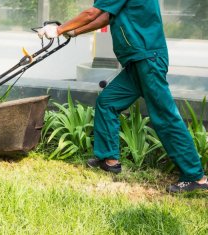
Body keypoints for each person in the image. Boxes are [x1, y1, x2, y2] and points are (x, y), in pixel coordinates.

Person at [37, 0, 208, 193]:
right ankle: (110, 160)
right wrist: (74, 31)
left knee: (165, 116)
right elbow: (106, 17)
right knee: (108, 102)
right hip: (137, 61)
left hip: (147, 59)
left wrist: (59, 30)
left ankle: (196, 177)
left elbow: (92, 13)